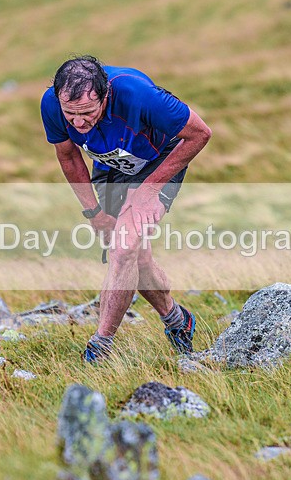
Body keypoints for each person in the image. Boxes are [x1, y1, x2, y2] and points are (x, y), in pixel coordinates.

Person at [40, 55, 212, 362]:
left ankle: (100, 347)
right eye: (71, 114)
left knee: (122, 249)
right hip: (112, 163)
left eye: (88, 113)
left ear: (105, 96)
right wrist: (94, 213)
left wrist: (149, 189)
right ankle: (178, 320)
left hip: (158, 159)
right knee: (136, 257)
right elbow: (68, 155)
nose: (78, 123)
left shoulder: (139, 95)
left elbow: (200, 133)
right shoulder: (52, 104)